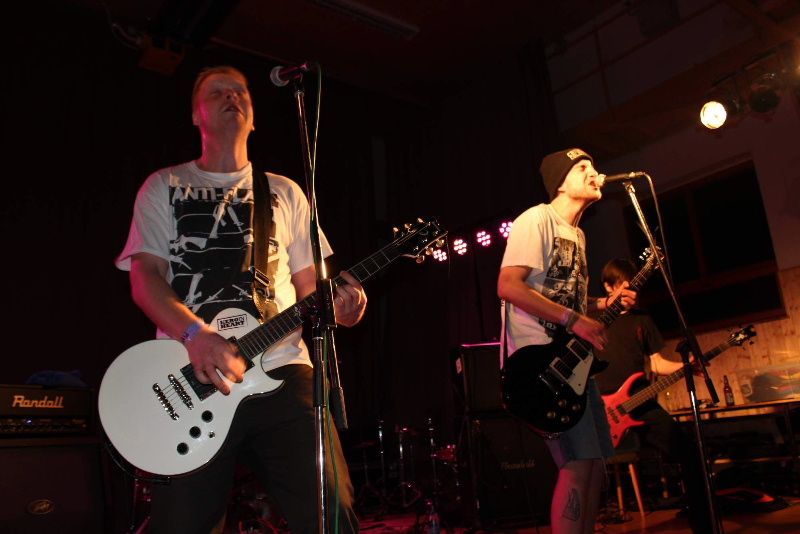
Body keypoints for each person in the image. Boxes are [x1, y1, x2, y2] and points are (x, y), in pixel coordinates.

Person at [115, 65, 367, 533]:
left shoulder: (286, 191)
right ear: (196, 115)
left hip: (285, 371)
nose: (231, 96)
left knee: (330, 512)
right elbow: (144, 278)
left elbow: (312, 289)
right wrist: (196, 335)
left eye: (240, 91)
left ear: (254, 117)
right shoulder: (162, 186)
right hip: (192, 373)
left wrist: (341, 309)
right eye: (216, 91)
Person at [497, 148, 637, 534]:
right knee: (576, 465)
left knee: (595, 465)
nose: (595, 173)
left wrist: (603, 304)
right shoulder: (536, 219)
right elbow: (508, 286)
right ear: (561, 182)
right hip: (541, 365)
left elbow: (565, 300)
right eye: (583, 167)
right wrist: (575, 320)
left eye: (594, 166)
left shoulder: (577, 234)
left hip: (574, 365)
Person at [593, 258, 713, 532]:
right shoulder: (595, 319)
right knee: (583, 467)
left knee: (690, 452)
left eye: (632, 286)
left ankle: (703, 523)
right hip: (602, 406)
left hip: (640, 402)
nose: (629, 291)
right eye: (622, 285)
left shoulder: (642, 319)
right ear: (608, 287)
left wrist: (686, 366)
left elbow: (657, 363)